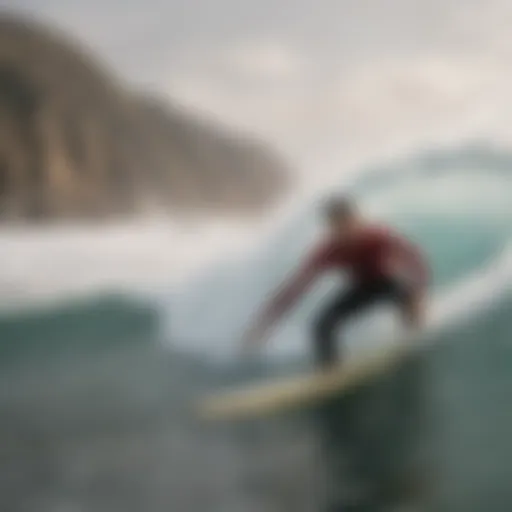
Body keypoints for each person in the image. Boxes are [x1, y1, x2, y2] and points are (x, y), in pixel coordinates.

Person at [241, 196, 429, 368]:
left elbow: (414, 258)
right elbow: (295, 288)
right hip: (362, 288)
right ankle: (331, 370)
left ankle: (414, 339)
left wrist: (419, 291)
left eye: (347, 224)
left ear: (356, 219)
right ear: (331, 227)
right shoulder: (329, 250)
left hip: (388, 282)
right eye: (337, 226)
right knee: (321, 326)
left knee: (408, 298)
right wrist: (263, 325)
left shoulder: (377, 236)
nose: (344, 231)